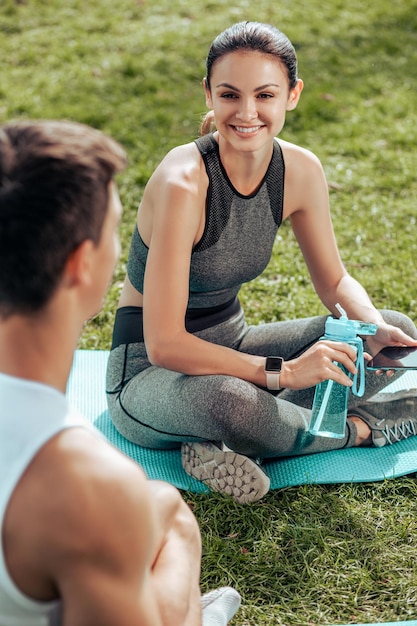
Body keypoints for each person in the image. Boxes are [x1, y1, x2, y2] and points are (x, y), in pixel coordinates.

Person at [106, 21, 417, 505]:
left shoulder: (300, 170)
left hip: (234, 342)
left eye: (265, 95)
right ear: (208, 94)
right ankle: (359, 428)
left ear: (292, 95)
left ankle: (231, 439)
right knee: (228, 400)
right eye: (229, 94)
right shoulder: (183, 183)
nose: (247, 113)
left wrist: (370, 325)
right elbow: (165, 344)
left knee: (384, 336)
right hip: (148, 374)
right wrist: (284, 374)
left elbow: (334, 280)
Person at [0, 120, 241, 626]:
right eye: (115, 229)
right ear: (81, 264)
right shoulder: (86, 486)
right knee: (169, 519)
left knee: (164, 505)